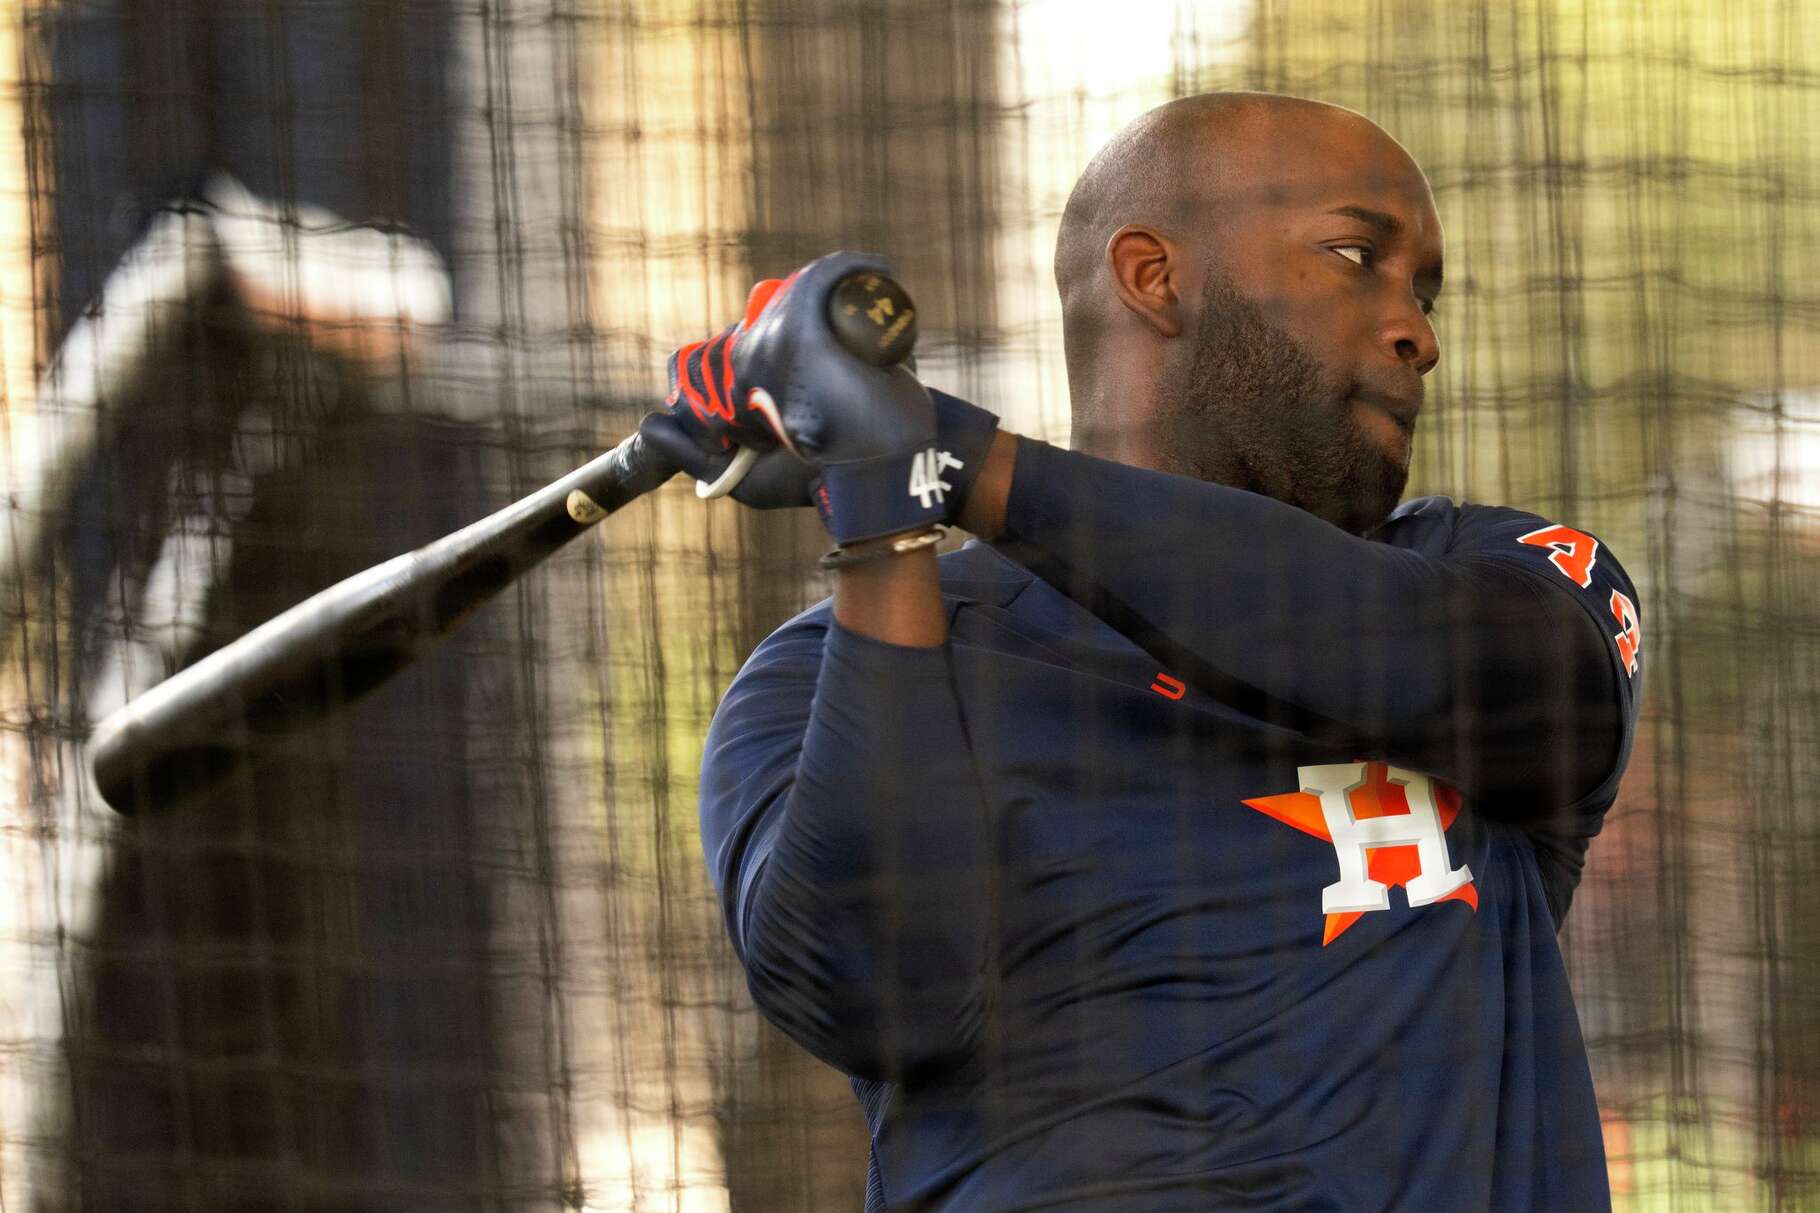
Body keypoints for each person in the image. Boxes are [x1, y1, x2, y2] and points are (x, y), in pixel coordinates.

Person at [646, 92, 1641, 1212]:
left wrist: (951, 458)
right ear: (1151, 276)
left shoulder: (1500, 576)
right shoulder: (833, 669)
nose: (1417, 328)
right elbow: (877, 1000)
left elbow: (1462, 673)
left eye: (1421, 290)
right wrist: (882, 523)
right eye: (1355, 254)